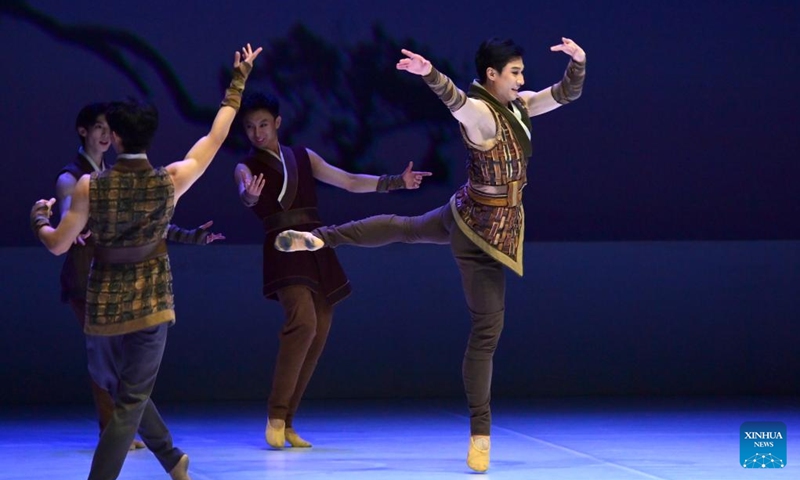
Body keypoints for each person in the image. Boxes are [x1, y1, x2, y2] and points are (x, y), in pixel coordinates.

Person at [275, 37, 586, 472]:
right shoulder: (481, 114)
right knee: (486, 331)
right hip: (480, 237)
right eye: (514, 72)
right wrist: (430, 75)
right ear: (492, 75)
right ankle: (480, 434)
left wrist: (578, 63)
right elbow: (456, 101)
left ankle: (322, 237)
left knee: (406, 228)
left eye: (521, 72)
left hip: (465, 212)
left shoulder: (519, 105)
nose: (522, 79)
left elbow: (565, 94)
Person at [31, 43, 261, 480]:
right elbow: (215, 138)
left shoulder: (90, 186)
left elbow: (58, 244)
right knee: (125, 391)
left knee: (126, 394)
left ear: (116, 138)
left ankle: (151, 464)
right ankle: (172, 458)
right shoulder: (170, 180)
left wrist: (38, 220)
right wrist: (237, 83)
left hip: (105, 301)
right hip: (152, 299)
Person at [234, 91, 432, 449]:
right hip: (283, 245)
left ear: (277, 123)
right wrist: (249, 195)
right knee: (303, 323)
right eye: (250, 127)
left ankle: (288, 421)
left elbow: (349, 181)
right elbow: (244, 192)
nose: (257, 132)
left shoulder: (302, 156)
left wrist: (395, 182)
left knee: (319, 329)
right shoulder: (245, 166)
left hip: (316, 241)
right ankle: (275, 416)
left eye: (263, 124)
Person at [57, 103, 225, 451]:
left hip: (124, 283)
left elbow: (146, 225)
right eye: (98, 127)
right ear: (83, 131)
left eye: (109, 129)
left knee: (119, 373)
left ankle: (137, 441)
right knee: (111, 371)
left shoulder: (101, 180)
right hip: (92, 278)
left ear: (118, 137)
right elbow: (67, 231)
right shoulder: (78, 180)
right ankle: (123, 434)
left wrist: (189, 236)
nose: (105, 134)